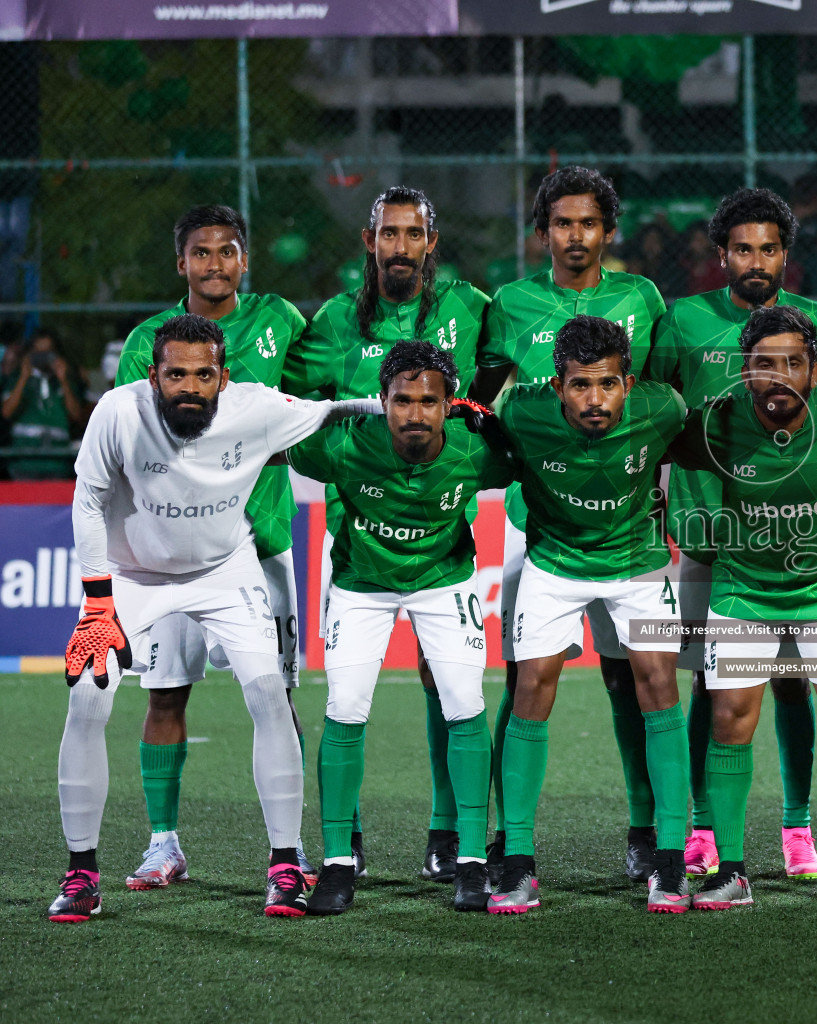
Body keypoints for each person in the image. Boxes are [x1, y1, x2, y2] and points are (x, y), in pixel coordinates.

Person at [51, 313, 381, 923]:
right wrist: (98, 601)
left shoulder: (255, 406)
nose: (190, 387)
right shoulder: (118, 413)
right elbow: (89, 500)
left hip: (224, 573)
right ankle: (80, 874)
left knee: (268, 695)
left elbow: (335, 409)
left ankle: (285, 864)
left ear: (223, 377)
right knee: (88, 700)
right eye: (176, 374)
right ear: (153, 375)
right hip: (130, 578)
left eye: (203, 375)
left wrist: (400, 405)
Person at [467, 166, 669, 885]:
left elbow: (660, 397)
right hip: (538, 527)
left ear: (608, 231)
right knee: (527, 681)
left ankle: (648, 830)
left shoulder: (642, 298)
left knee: (633, 682)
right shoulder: (513, 304)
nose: (575, 235)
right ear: (543, 230)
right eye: (561, 222)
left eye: (588, 223)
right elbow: (481, 403)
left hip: (627, 524)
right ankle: (504, 834)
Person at [285, 186, 491, 883]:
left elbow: (496, 393)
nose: (399, 246)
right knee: (346, 698)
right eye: (387, 234)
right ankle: (347, 843)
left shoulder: (469, 308)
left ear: (431, 242)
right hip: (356, 534)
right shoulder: (335, 321)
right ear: (368, 242)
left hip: (437, 520)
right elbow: (293, 410)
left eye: (412, 234)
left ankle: (450, 834)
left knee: (449, 685)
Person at [645, 187, 817, 880]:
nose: (755, 260)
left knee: (796, 683)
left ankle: (797, 827)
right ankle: (703, 827)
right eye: (742, 248)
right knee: (712, 682)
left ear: (785, 253)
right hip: (708, 537)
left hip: (800, 539)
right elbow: (655, 415)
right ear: (719, 253)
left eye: (768, 248)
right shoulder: (685, 321)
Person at [113, 205, 313, 890]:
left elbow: (313, 398)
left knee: (277, 697)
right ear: (182, 263)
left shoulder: (282, 321)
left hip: (262, 548)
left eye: (227, 251)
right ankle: (163, 842)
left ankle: (291, 846)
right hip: (170, 558)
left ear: (244, 259)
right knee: (165, 696)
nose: (214, 264)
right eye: (201, 253)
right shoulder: (150, 340)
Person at [674, 304, 817, 910]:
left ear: (815, 370)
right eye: (764, 365)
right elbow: (654, 448)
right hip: (744, 593)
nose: (779, 378)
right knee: (729, 721)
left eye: (793, 363)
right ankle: (732, 872)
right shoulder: (714, 424)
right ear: (744, 372)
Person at [289, 343, 511, 916]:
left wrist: (497, 425)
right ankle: (337, 864)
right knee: (345, 707)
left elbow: (521, 457)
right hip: (362, 585)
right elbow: (285, 433)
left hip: (445, 581)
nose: (415, 414)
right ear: (381, 402)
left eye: (429, 402)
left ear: (450, 405)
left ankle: (468, 860)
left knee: (465, 704)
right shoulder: (344, 446)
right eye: (401, 401)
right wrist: (335, 410)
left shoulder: (474, 451)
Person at [479, 316, 690, 914]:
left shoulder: (663, 407)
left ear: (628, 382)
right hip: (554, 563)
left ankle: (669, 862)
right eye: (579, 386)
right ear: (556, 383)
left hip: (639, 564)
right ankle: (517, 860)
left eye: (607, 384)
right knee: (530, 687)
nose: (595, 400)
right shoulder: (520, 411)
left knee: (657, 685)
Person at [2, 328, 84, 479]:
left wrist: (63, 380)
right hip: (23, 462)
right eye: (38, 353)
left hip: (57, 463)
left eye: (48, 353)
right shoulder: (16, 378)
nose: (43, 358)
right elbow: (6, 412)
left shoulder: (65, 381)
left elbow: (76, 415)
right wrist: (23, 377)